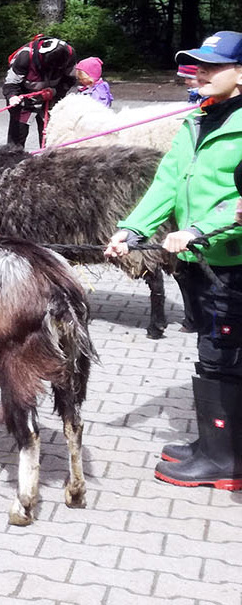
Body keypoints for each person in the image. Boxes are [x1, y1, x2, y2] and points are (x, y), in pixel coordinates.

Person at [104, 30, 242, 490]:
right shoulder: (197, 121)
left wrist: (201, 229)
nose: (199, 71)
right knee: (213, 347)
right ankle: (215, 446)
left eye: (213, 65)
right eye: (196, 64)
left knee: (223, 354)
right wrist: (132, 230)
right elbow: (165, 184)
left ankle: (225, 461)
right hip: (197, 261)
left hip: (230, 261)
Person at [3, 36, 76, 147]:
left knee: (50, 139)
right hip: (23, 99)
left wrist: (55, 91)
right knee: (16, 139)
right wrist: (12, 96)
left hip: (51, 100)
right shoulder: (25, 57)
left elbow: (69, 80)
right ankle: (14, 160)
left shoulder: (69, 55)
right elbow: (10, 84)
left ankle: (48, 162)